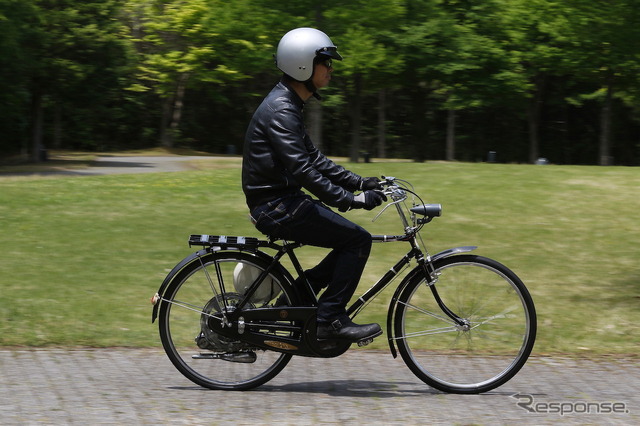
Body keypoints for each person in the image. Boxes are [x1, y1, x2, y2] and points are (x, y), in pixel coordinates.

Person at [242, 28, 386, 343]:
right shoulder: (282, 109)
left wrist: (360, 182)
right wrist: (353, 200)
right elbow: (304, 170)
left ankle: (296, 297)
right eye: (326, 62)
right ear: (303, 65)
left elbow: (316, 160)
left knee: (349, 239)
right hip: (277, 206)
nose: (331, 69)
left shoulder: (288, 104)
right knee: (357, 241)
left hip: (283, 201)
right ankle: (329, 319)